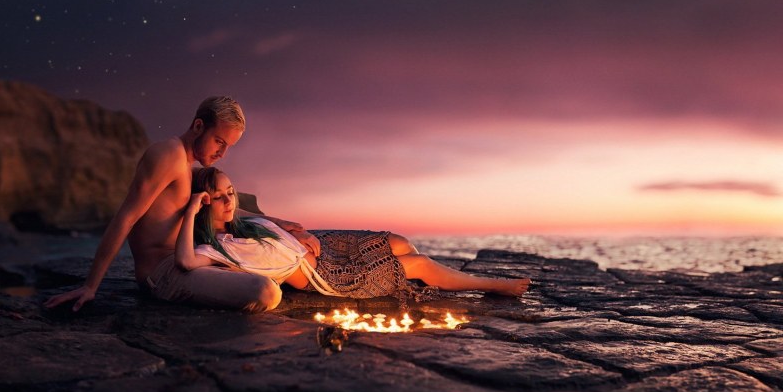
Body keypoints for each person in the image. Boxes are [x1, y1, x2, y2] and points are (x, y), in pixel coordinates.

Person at [45, 96, 306, 312]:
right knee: (265, 291)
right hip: (162, 274)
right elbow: (126, 217)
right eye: (219, 141)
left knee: (275, 259)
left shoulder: (188, 168)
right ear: (198, 126)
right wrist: (91, 286)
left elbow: (224, 207)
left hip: (188, 261)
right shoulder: (168, 155)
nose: (222, 153)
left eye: (228, 146)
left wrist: (277, 222)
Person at [175, 167, 531, 304]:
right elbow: (186, 262)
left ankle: (420, 281)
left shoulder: (244, 224)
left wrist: (294, 230)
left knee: (400, 242)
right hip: (329, 275)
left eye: (231, 192)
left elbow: (264, 219)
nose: (228, 201)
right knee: (419, 262)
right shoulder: (217, 248)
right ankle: (491, 285)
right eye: (217, 197)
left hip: (328, 247)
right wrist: (191, 209)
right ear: (203, 203)